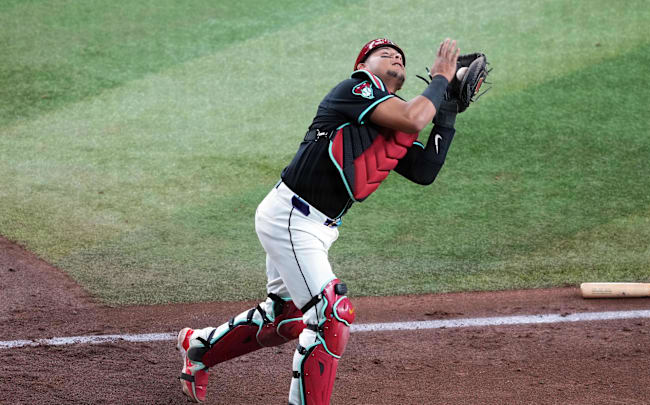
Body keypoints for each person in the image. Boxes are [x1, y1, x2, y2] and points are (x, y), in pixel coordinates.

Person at [178, 38, 475, 404]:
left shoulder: (394, 119)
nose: (395, 57)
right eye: (384, 54)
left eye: (400, 56)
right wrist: (442, 79)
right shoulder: (356, 88)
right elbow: (415, 115)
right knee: (330, 315)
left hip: (314, 227)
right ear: (363, 65)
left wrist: (447, 110)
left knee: (285, 318)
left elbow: (425, 170)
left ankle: (199, 348)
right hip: (291, 216)